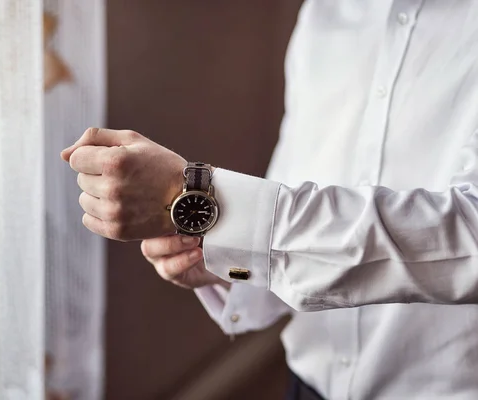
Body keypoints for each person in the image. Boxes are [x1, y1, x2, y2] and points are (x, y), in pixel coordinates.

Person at [61, 2, 478, 399]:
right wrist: (225, 260)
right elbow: (298, 190)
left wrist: (206, 203)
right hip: (305, 384)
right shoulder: (325, 12)